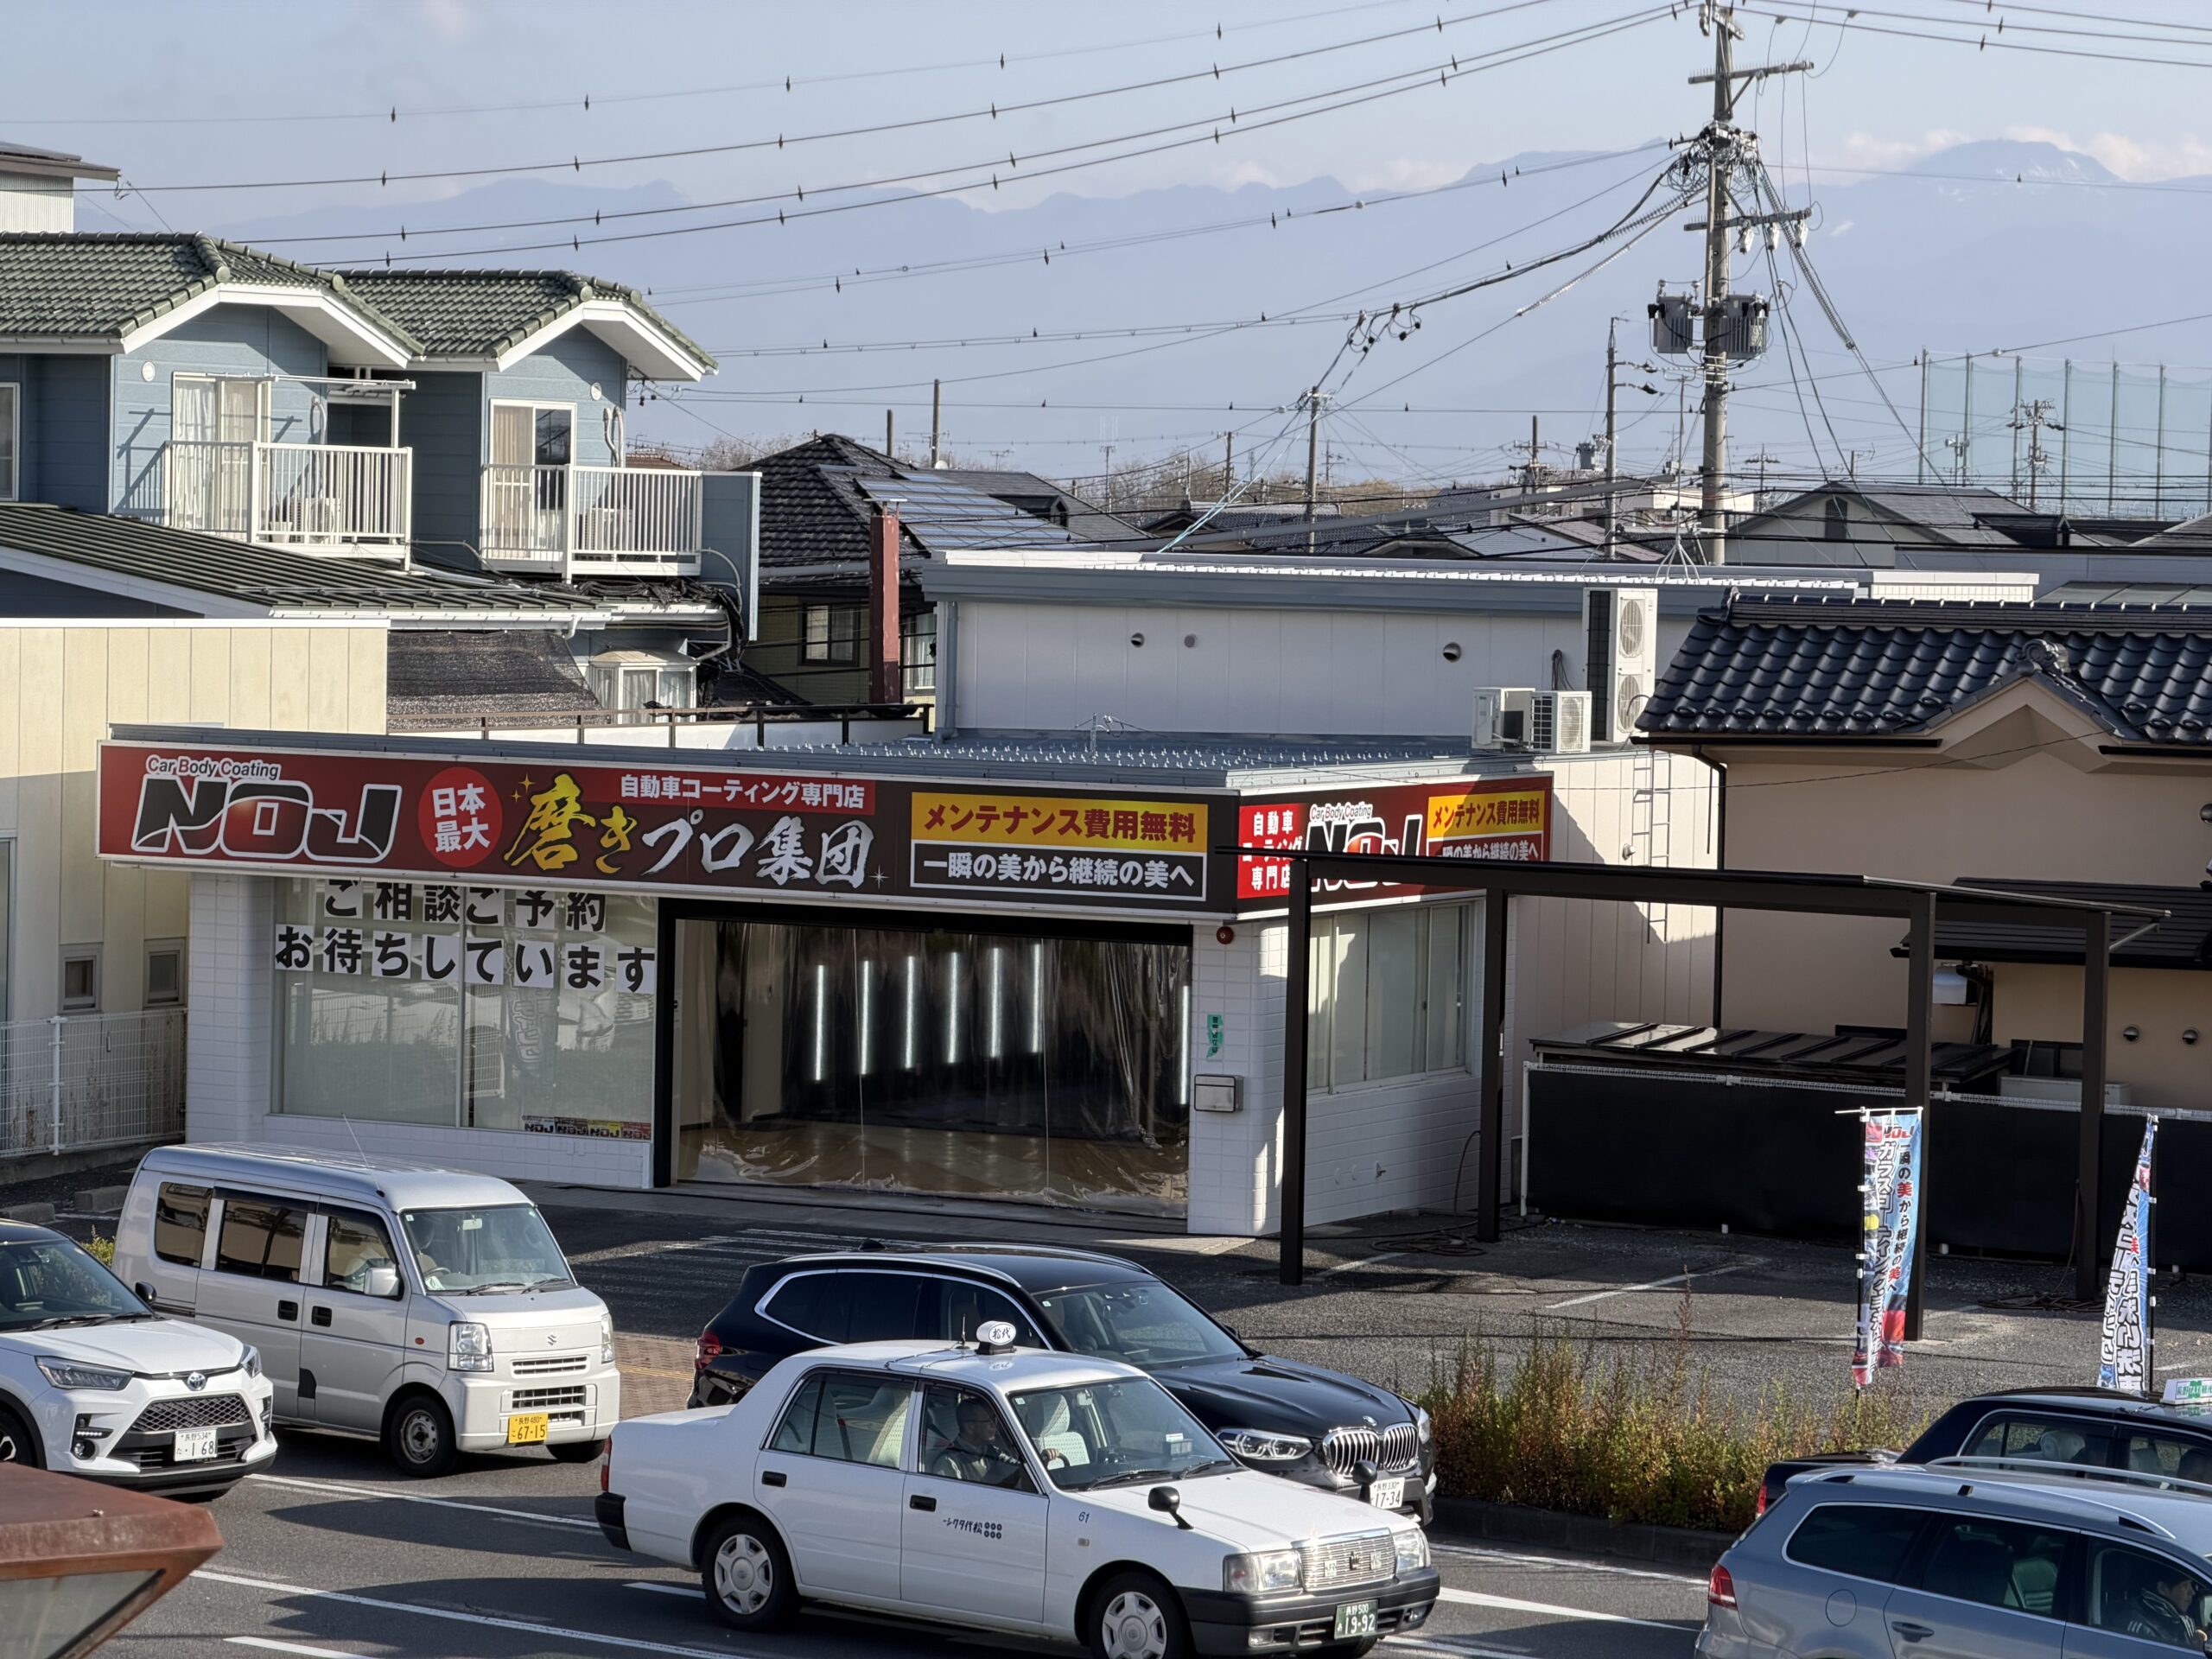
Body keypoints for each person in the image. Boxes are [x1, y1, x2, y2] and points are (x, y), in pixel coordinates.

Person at [931, 1396, 1025, 1487]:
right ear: (970, 1427)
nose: (994, 1425)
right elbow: (952, 1496)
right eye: (989, 1421)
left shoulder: (992, 1451)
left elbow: (1021, 1469)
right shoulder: (949, 1462)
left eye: (994, 1419)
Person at [2118, 1563, 2207, 1649]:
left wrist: (2195, 1643)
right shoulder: (2143, 1629)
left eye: (2190, 1585)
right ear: (2162, 1588)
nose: (2192, 1592)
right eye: (2185, 1585)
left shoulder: (2176, 1620)